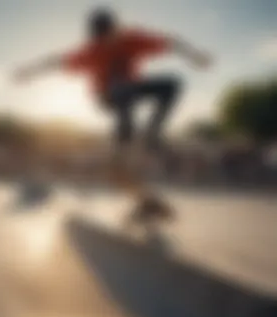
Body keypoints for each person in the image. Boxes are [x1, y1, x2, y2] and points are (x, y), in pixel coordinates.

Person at [13, 7, 212, 219]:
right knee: (120, 90)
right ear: (96, 37)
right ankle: (127, 132)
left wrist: (195, 56)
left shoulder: (132, 39)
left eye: (111, 37)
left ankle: (151, 144)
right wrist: (29, 72)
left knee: (172, 84)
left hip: (132, 91)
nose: (108, 43)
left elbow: (171, 42)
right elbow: (56, 61)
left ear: (116, 29)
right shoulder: (91, 51)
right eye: (102, 40)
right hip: (106, 97)